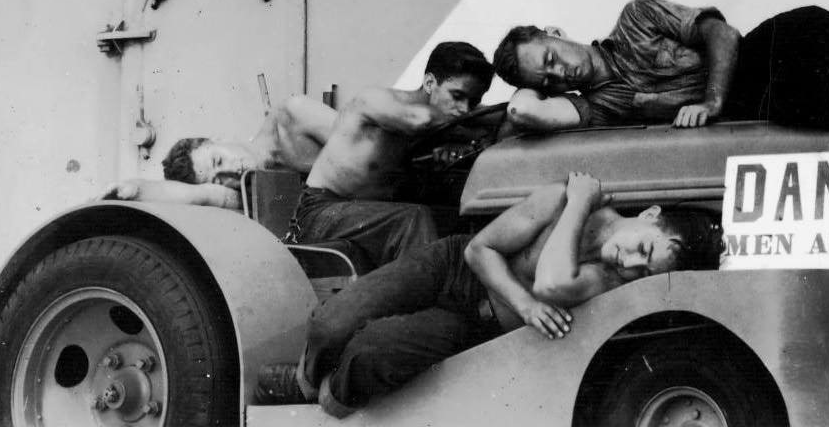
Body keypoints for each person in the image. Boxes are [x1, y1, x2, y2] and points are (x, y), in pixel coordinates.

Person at [258, 171, 723, 415]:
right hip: (453, 267)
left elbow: (551, 283)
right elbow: (479, 249)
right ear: (649, 214)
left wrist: (580, 204)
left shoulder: (610, 276)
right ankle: (302, 383)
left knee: (374, 350)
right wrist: (525, 303)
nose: (632, 262)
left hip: (476, 323)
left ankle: (328, 401)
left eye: (644, 271)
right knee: (333, 320)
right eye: (645, 248)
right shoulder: (556, 198)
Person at [494, 0, 829, 165]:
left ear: (554, 32)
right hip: (753, 108)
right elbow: (521, 111)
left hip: (750, 63)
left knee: (812, 26)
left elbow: (722, 34)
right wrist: (531, 85)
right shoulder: (603, 105)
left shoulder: (636, 17)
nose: (558, 71)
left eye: (550, 56)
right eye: (548, 78)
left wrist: (710, 100)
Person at [284, 40, 494, 270]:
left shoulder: (443, 120)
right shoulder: (377, 100)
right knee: (413, 218)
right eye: (457, 96)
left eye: (473, 102)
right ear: (429, 82)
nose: (464, 108)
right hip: (320, 211)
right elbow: (418, 120)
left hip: (366, 213)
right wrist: (477, 125)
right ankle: (430, 290)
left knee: (455, 217)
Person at [106, 91, 339, 209]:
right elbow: (195, 195)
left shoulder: (293, 116)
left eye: (218, 161)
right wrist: (134, 188)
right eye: (218, 181)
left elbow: (357, 147)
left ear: (220, 139)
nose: (231, 173)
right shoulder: (253, 192)